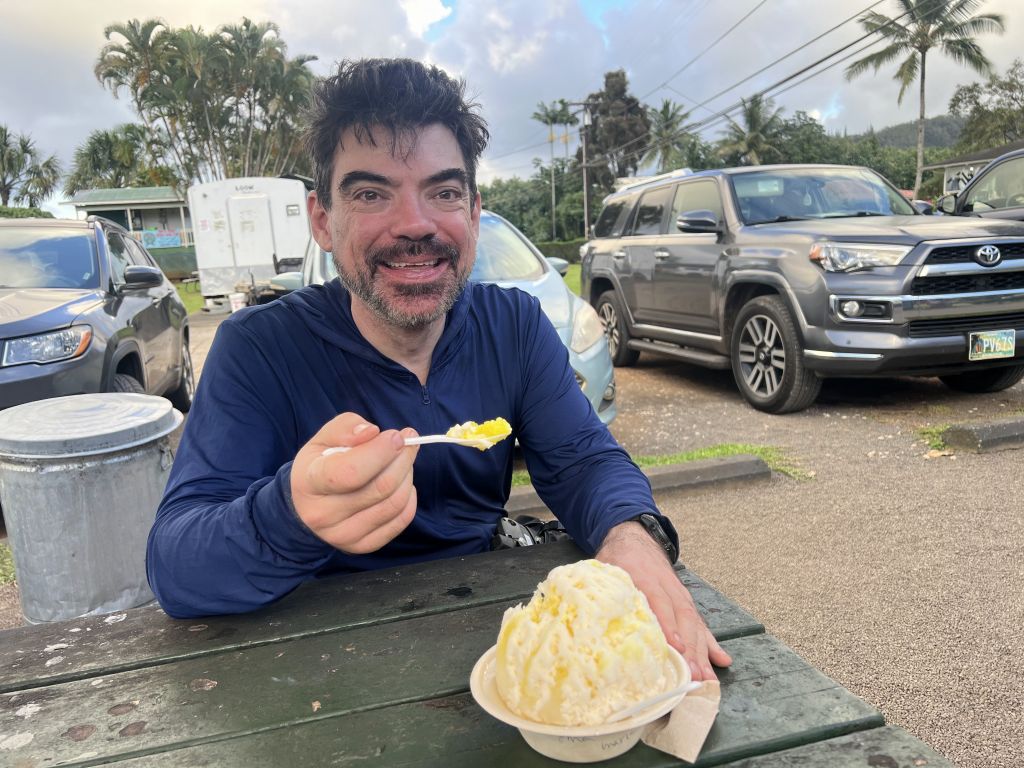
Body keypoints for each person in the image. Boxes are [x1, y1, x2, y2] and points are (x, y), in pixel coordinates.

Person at [146, 58, 731, 682]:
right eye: (371, 194)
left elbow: (586, 462)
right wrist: (289, 515)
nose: (416, 225)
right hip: (313, 665)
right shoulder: (258, 348)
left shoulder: (516, 327)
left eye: (444, 192)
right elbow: (178, 567)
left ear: (474, 214)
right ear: (322, 220)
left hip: (489, 640)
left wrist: (630, 535)